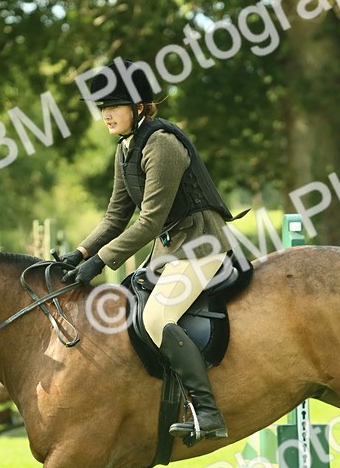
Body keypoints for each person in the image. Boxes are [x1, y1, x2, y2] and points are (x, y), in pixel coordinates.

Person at [59, 59, 240, 441]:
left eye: (114, 106)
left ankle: (207, 412)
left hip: (200, 247)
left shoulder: (162, 145)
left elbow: (150, 222)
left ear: (139, 107)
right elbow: (115, 216)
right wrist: (78, 253)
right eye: (103, 107)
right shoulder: (126, 148)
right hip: (169, 251)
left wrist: (100, 262)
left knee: (157, 317)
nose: (106, 115)